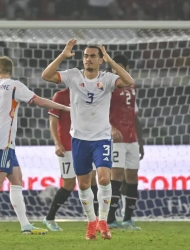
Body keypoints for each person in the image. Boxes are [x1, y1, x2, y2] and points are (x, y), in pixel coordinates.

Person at [0, 56, 70, 235]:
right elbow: (39, 101)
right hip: (2, 141)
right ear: (10, 70)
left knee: (16, 179)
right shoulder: (14, 85)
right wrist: (65, 108)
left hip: (0, 140)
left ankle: (25, 226)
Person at [41, 39, 134, 240]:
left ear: (100, 60)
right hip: (79, 139)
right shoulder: (73, 76)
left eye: (93, 56)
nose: (88, 59)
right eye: (85, 56)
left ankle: (103, 222)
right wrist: (62, 55)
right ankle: (91, 223)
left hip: (101, 138)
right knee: (83, 184)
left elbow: (128, 81)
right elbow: (46, 75)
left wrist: (111, 61)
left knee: (103, 178)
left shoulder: (108, 78)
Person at [43, 87, 99, 231]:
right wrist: (57, 143)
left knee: (92, 179)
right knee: (69, 183)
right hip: (67, 146)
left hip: (86, 143)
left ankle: (96, 220)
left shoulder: (88, 93)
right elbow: (53, 121)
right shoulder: (60, 96)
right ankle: (49, 218)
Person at [106, 54, 144, 230]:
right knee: (117, 176)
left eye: (120, 66)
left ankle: (127, 218)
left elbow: (135, 116)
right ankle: (110, 218)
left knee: (132, 176)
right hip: (116, 139)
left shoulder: (132, 86)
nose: (116, 70)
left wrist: (141, 142)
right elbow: (99, 111)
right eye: (114, 66)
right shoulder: (108, 86)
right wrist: (111, 128)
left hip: (131, 139)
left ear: (127, 68)